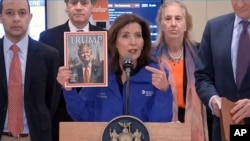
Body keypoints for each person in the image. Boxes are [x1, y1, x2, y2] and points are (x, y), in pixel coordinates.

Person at [57, 14, 173, 123]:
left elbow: (161, 123)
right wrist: (69, 90)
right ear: (115, 42)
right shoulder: (99, 70)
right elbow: (82, 116)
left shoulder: (157, 73)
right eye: (125, 36)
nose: (133, 42)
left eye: (138, 35)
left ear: (144, 42)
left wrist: (164, 91)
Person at [39, 0, 106, 140]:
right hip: (61, 116)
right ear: (67, 6)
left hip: (98, 113)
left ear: (93, 6)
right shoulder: (48, 37)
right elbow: (41, 79)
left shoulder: (106, 36)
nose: (79, 8)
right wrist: (57, 79)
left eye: (84, 3)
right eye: (73, 3)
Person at [0, 0, 60, 141]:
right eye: (9, 13)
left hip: (35, 136)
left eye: (22, 13)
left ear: (30, 17)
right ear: (1, 17)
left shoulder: (49, 55)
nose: (16, 18)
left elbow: (51, 101)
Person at [151, 1, 209, 141]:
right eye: (167, 19)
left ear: (186, 24)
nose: (173, 23)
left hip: (192, 122)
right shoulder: (150, 56)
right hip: (161, 122)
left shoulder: (200, 53)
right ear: (161, 25)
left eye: (178, 18)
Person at [195, 0, 250, 141]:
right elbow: (202, 75)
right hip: (224, 128)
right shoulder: (214, 28)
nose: (239, 4)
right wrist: (213, 100)